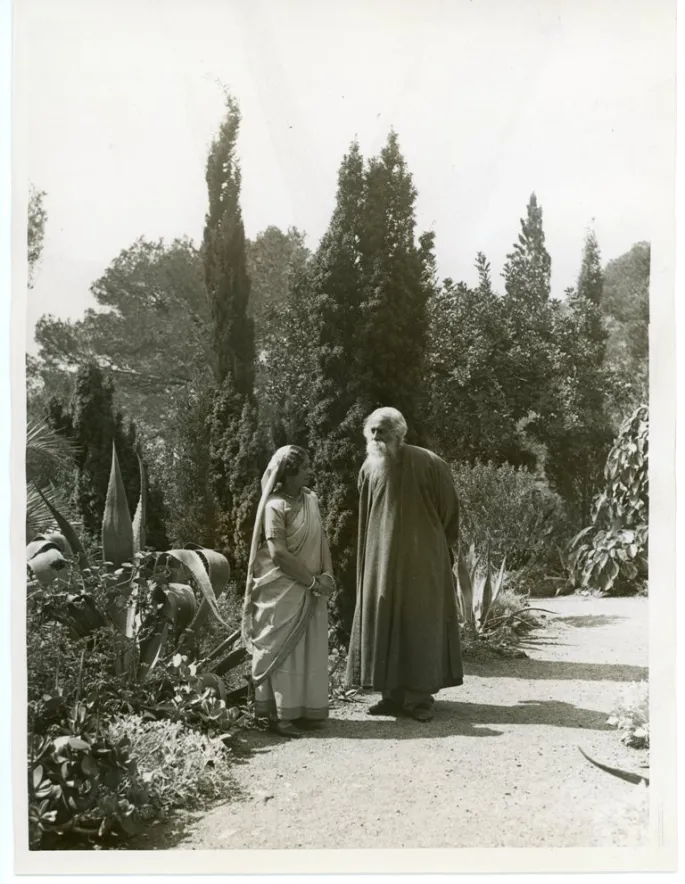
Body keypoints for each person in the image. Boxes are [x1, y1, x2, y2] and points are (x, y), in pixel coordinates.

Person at [345, 407, 463, 722]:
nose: (375, 436)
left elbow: (449, 512)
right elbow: (365, 514)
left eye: (382, 430)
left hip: (422, 560)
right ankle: (391, 696)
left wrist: (433, 547)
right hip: (380, 560)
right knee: (384, 618)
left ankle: (419, 699)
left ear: (399, 432)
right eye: (371, 430)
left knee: (419, 624)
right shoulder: (368, 468)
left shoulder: (431, 463)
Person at [242, 445, 335, 737]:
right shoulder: (274, 506)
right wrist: (311, 582)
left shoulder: (311, 500)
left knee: (309, 648)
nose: (310, 470)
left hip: (312, 588)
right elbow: (278, 553)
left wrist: (327, 575)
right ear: (288, 472)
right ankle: (279, 715)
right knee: (281, 649)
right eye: (304, 466)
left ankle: (305, 709)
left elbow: (321, 539)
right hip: (282, 588)